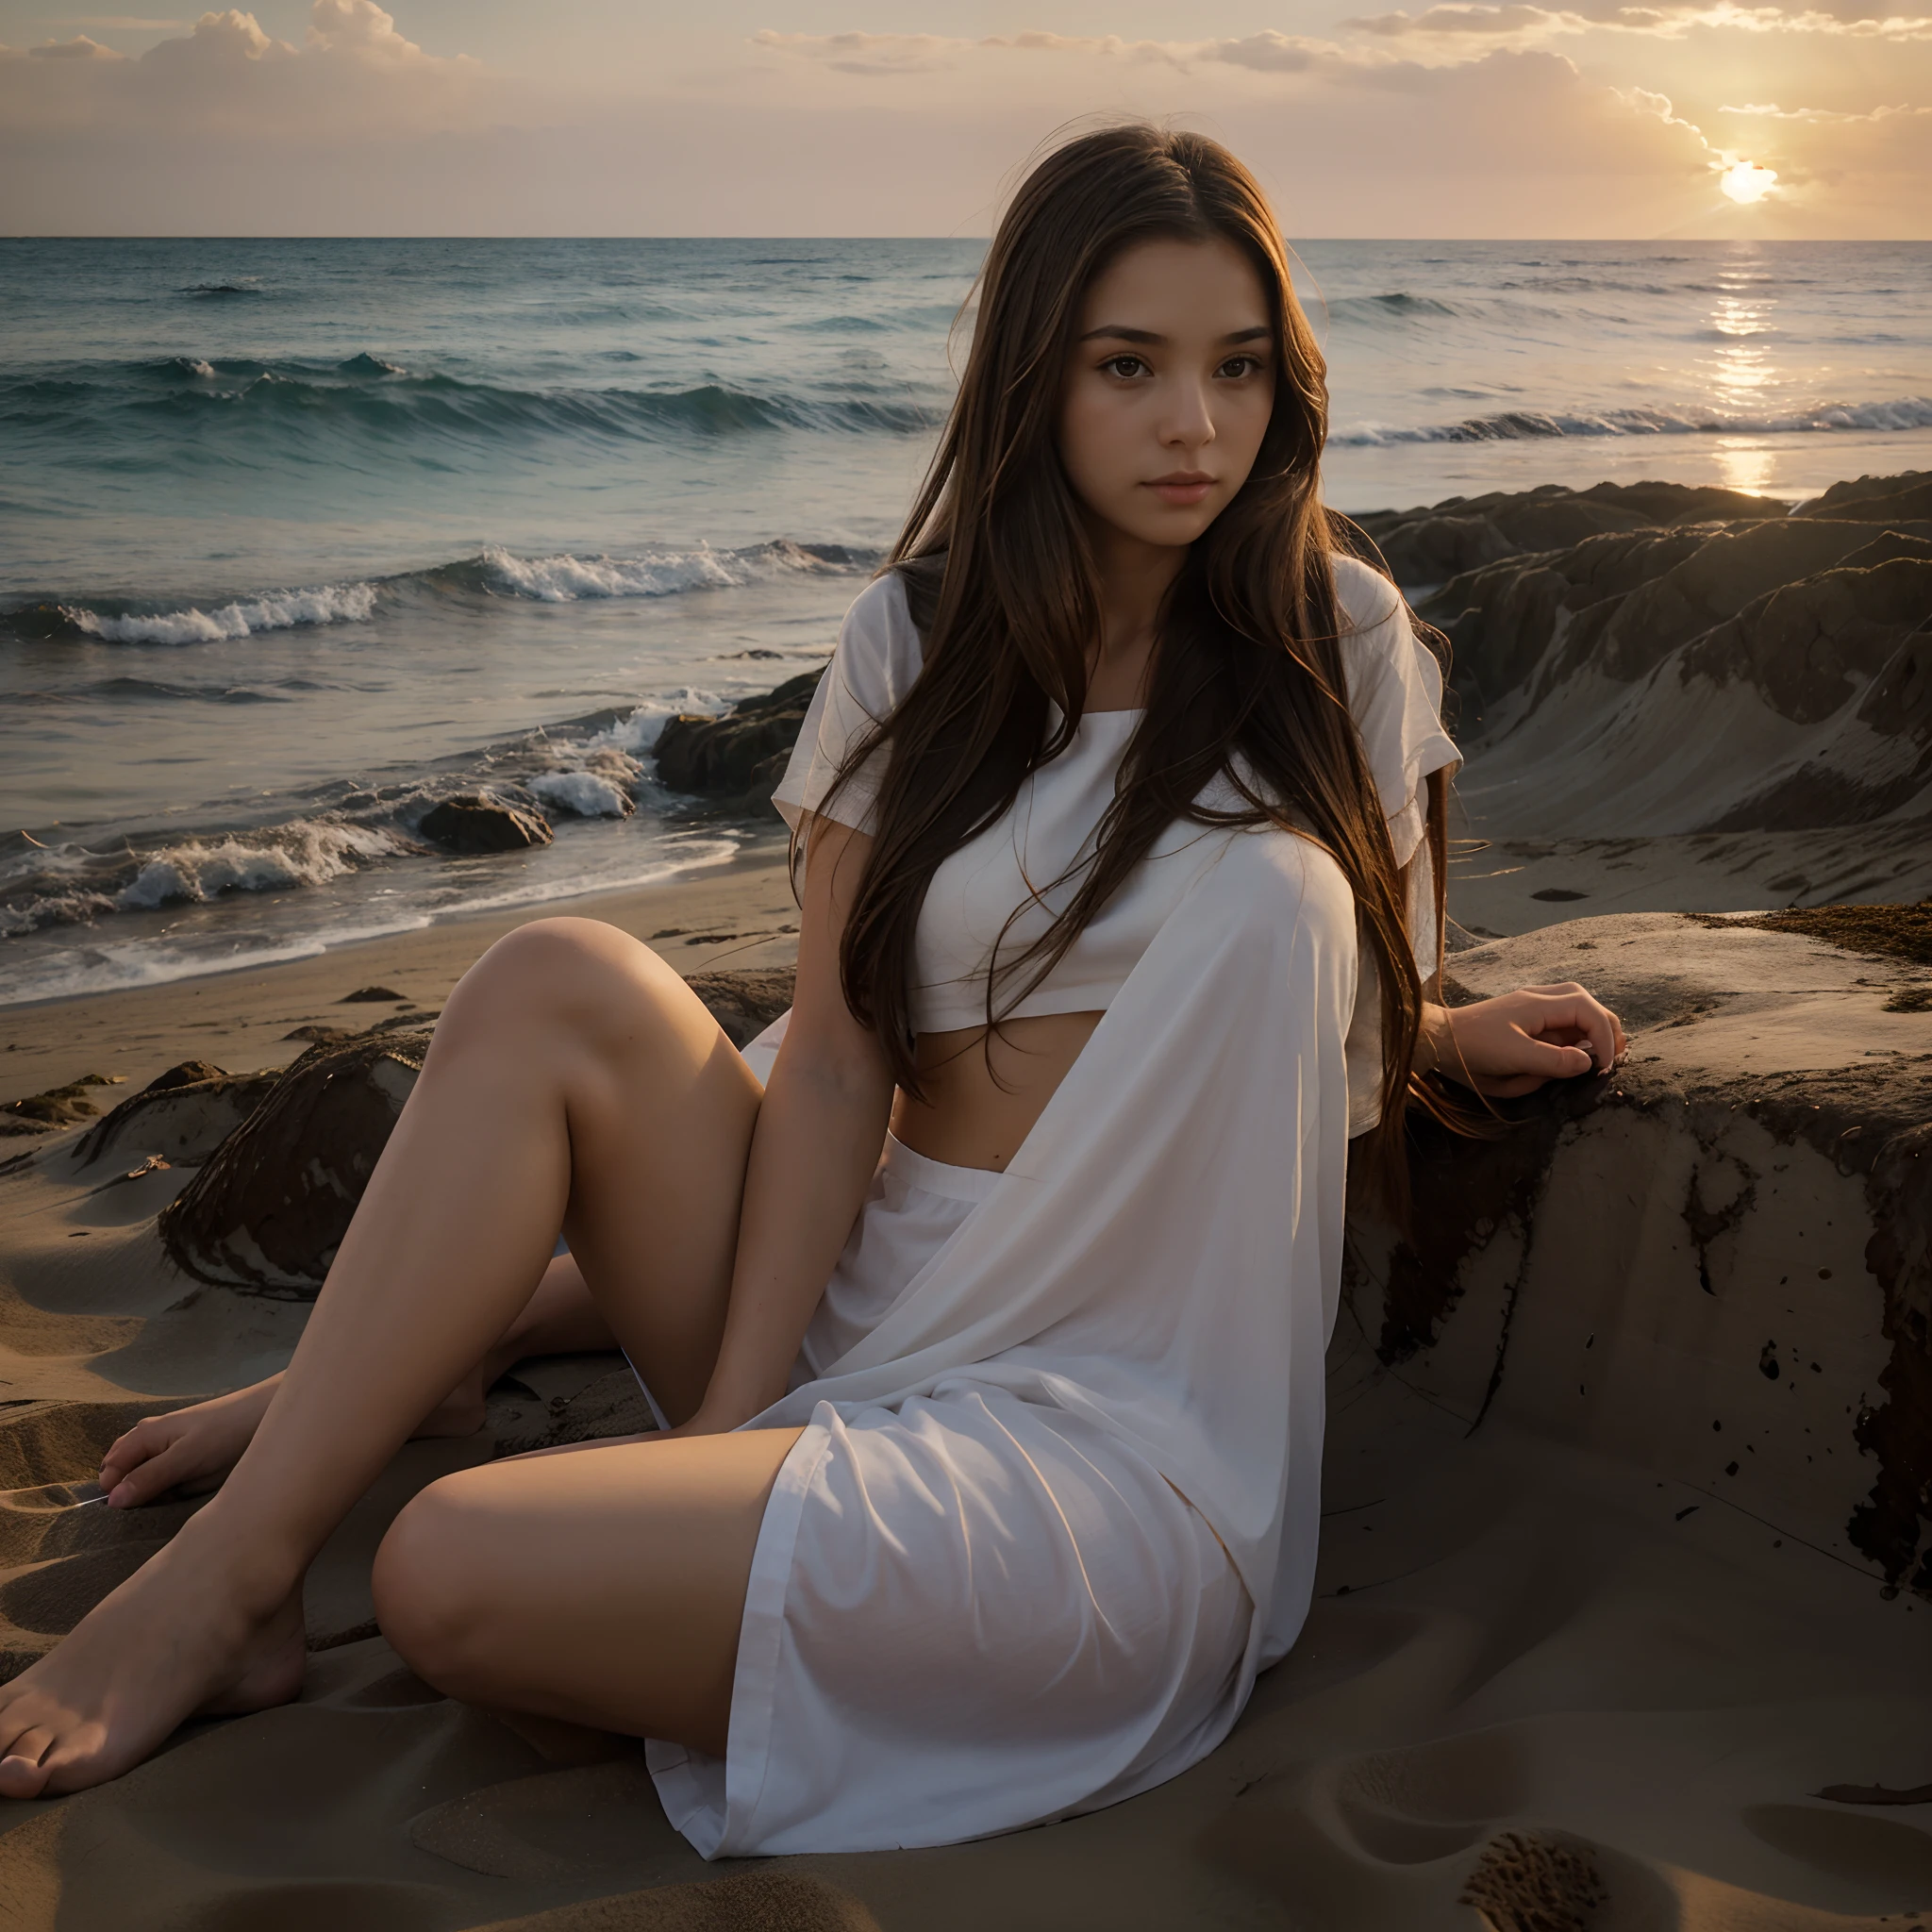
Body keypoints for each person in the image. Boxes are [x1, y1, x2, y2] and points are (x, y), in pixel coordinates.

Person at [0, 125, 1623, 1844]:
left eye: (1234, 369)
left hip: (1107, 1428)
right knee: (554, 969)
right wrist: (724, 1424)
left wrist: (1436, 1023)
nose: (1193, 427)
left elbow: (1322, 1017)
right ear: (1032, 380)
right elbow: (839, 1064)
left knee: (446, 1567)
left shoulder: (1340, 643)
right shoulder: (911, 647)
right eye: (1127, 366)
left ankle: (448, 1460)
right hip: (853, 1295)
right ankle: (225, 1585)